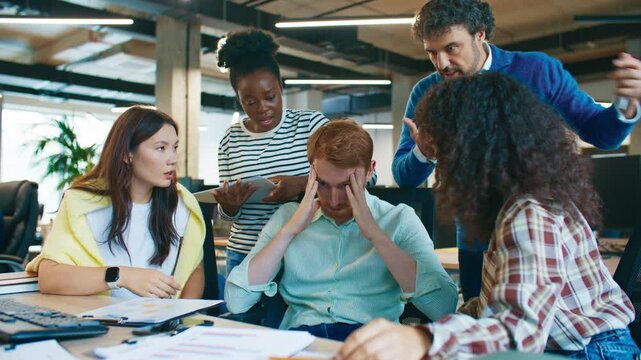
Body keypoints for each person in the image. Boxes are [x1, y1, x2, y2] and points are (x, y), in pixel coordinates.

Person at [337, 73, 639, 359]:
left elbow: (521, 329)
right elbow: (498, 308)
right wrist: (440, 326)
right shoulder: (514, 204)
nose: (443, 167)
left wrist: (424, 339)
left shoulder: (530, 213)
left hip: (590, 351)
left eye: (445, 152)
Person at [392, 0, 641, 301]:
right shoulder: (427, 92)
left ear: (480, 35)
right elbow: (404, 177)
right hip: (477, 237)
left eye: (451, 48)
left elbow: (603, 134)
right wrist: (425, 152)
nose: (441, 63)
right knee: (482, 319)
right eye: (432, 52)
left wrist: (627, 103)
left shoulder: (538, 70)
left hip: (543, 229)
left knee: (547, 328)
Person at [225, 119, 457, 342]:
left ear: (369, 171)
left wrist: (376, 235)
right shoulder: (288, 217)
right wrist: (289, 232)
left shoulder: (398, 219)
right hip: (303, 341)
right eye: (323, 184)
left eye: (346, 185)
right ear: (312, 172)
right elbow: (236, 301)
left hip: (371, 342)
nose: (334, 201)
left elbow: (444, 307)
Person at [26, 106, 205, 299]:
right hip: (100, 322)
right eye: (161, 148)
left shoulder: (182, 203)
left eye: (175, 147)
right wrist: (122, 275)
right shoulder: (83, 203)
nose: (173, 158)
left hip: (162, 325)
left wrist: (182, 319)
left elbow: (193, 270)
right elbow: (50, 278)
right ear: (127, 154)